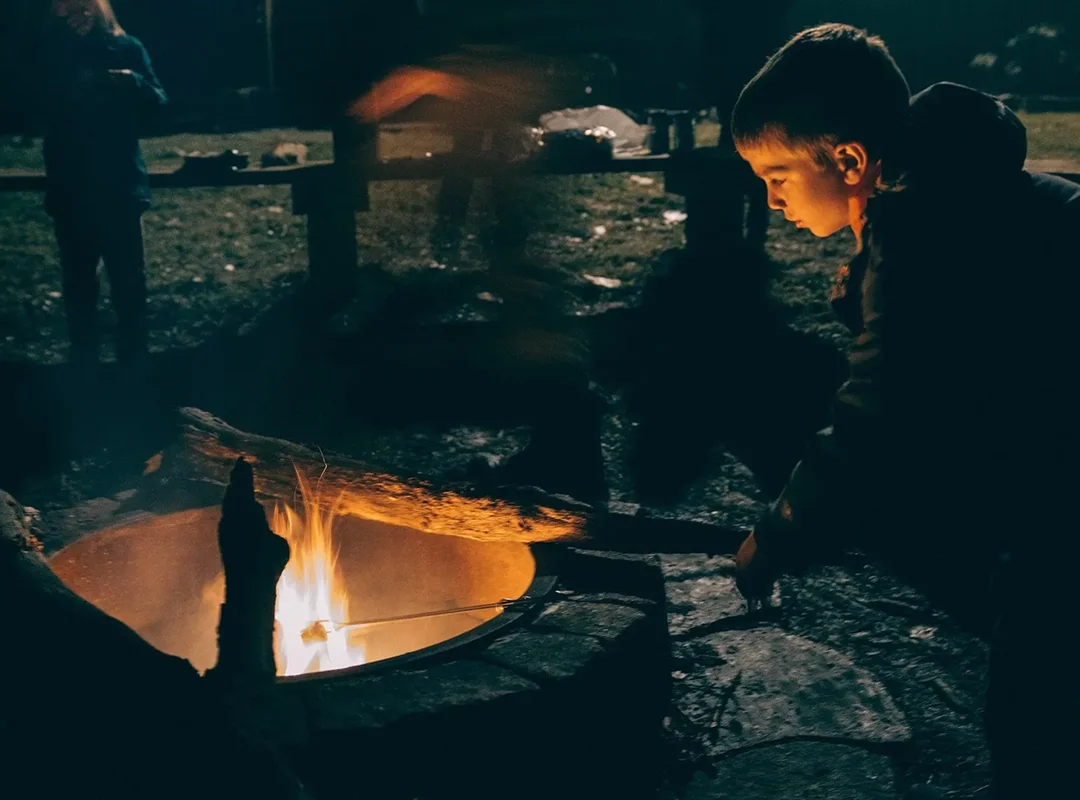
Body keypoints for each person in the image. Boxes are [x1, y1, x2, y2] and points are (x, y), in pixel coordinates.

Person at [727, 23, 1079, 799]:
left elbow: (878, 416)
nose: (771, 195)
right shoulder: (953, 194)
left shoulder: (920, 230)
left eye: (778, 172)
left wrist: (778, 534)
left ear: (849, 160)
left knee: (1038, 710)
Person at [37, 0, 167, 374]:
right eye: (67, 9)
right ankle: (84, 362)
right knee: (79, 280)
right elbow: (32, 101)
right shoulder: (52, 52)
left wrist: (133, 82)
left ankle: (134, 360)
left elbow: (159, 103)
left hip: (119, 184)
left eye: (83, 8)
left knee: (128, 280)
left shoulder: (126, 48)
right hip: (71, 184)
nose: (76, 15)